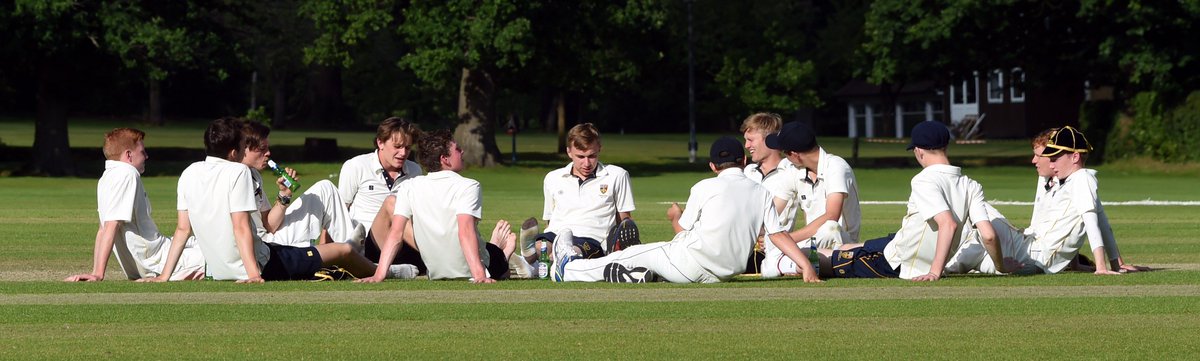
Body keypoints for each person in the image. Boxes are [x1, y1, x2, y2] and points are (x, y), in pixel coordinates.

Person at [148, 117, 408, 282]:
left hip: (228, 265)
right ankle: (387, 270)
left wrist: (163, 277)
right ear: (235, 152)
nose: (267, 153)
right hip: (263, 260)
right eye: (252, 147)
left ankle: (368, 260)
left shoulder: (190, 172)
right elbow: (240, 227)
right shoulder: (238, 173)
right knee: (344, 251)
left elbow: (183, 230)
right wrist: (253, 274)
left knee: (338, 239)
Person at [550, 136, 784, 284]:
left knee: (627, 254)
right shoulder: (762, 192)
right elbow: (778, 235)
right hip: (721, 275)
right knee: (646, 260)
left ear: (712, 166)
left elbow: (682, 230)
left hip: (686, 265)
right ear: (744, 161)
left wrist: (675, 217)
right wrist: (803, 267)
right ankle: (641, 275)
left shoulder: (704, 186)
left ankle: (568, 268)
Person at [814, 121, 1002, 281]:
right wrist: (1001, 266)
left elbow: (948, 224)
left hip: (899, 262)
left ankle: (795, 256)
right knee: (850, 247)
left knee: (822, 261)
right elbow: (989, 236)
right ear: (945, 146)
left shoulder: (924, 180)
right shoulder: (971, 184)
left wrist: (935, 272)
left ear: (919, 151)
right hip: (900, 241)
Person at [358, 129, 517, 283]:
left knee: (488, 249)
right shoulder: (469, 186)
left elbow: (396, 233)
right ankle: (504, 253)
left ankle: (495, 248)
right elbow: (466, 231)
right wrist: (479, 275)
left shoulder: (409, 186)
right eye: (457, 149)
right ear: (444, 159)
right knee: (499, 260)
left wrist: (379, 275)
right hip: (476, 267)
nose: (462, 152)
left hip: (436, 272)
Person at [64, 128, 205, 282]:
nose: (146, 156)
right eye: (142, 152)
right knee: (216, 252)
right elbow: (111, 225)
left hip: (153, 257)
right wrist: (98, 274)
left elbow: (102, 229)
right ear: (129, 155)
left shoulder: (106, 177)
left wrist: (95, 271)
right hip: (157, 262)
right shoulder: (127, 174)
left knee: (200, 241)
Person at [759, 121, 862, 278]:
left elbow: (831, 215)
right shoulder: (794, 169)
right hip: (812, 241)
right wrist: (757, 232)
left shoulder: (836, 167)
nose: (784, 157)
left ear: (794, 154)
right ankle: (800, 264)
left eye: (785, 153)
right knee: (770, 266)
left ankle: (797, 264)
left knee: (830, 228)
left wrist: (786, 240)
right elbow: (773, 209)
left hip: (842, 241)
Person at [534, 123, 639, 262]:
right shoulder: (552, 178)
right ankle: (534, 257)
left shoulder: (617, 175)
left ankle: (546, 260)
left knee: (571, 253)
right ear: (569, 152)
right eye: (580, 157)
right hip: (557, 234)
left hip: (592, 239)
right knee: (540, 246)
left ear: (599, 149)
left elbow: (624, 220)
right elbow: (549, 220)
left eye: (592, 156)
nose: (587, 163)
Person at [337, 117, 425, 270]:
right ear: (380, 143)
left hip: (405, 243)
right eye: (397, 146)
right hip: (369, 245)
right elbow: (337, 212)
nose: (403, 153)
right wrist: (327, 252)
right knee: (392, 202)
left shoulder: (414, 170)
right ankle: (432, 255)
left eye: (408, 148)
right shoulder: (356, 166)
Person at [738, 112, 792, 273]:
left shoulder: (791, 172)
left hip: (775, 250)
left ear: (769, 139)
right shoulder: (747, 172)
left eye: (750, 140)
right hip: (742, 248)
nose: (746, 146)